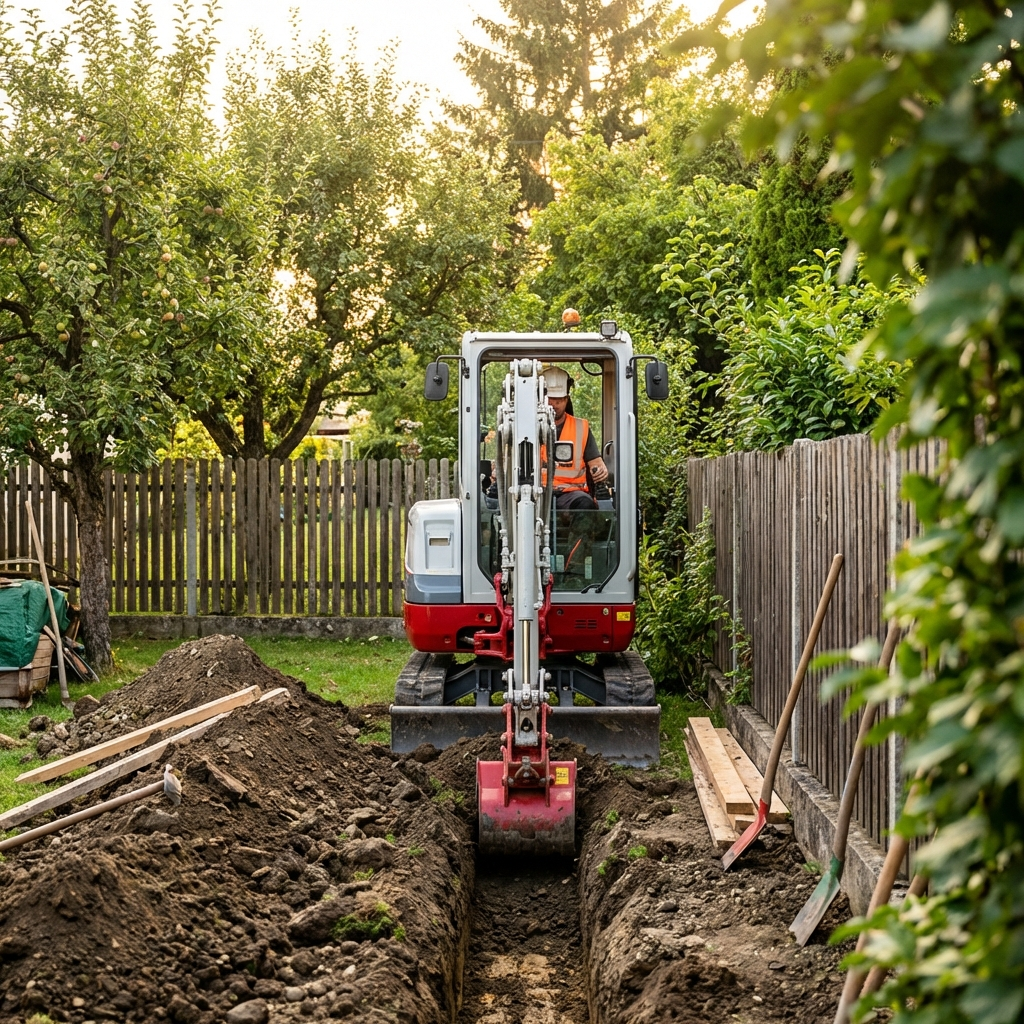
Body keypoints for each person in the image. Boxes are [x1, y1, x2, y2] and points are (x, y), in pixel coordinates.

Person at [540, 366, 609, 510]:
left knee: (585, 503)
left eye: (559, 399)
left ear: (566, 399)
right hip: (536, 493)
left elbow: (596, 463)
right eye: (550, 399)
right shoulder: (524, 427)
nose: (554, 404)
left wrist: (600, 471)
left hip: (570, 495)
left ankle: (579, 534)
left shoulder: (581, 427)